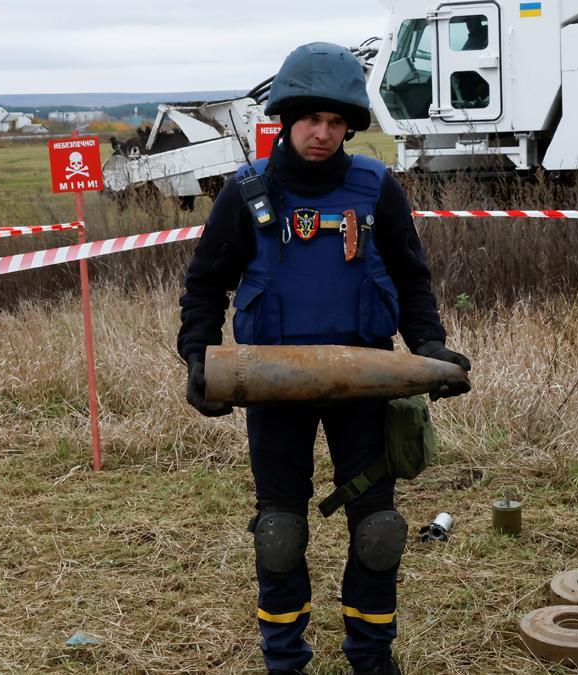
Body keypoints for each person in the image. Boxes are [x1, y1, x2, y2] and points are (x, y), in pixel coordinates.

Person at [177, 42, 471, 675]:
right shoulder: (246, 191)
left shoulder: (377, 188)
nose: (323, 133)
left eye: (337, 123)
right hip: (271, 385)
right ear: (286, 118)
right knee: (279, 532)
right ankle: (285, 658)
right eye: (312, 119)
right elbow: (204, 284)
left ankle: (370, 657)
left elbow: (411, 277)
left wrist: (430, 349)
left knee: (378, 528)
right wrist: (196, 361)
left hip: (365, 384)